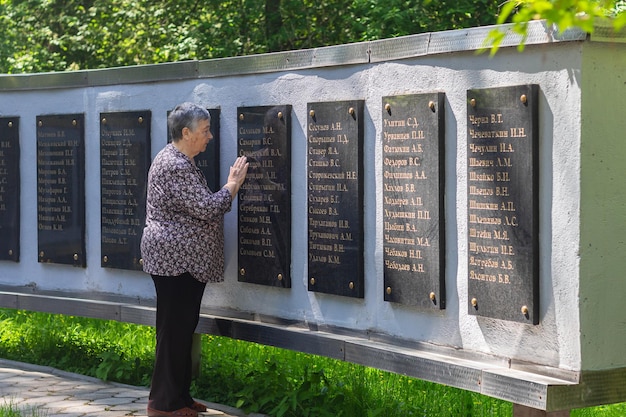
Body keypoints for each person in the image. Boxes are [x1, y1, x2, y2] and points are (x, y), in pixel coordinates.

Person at [140, 102, 249, 417]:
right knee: (174, 330)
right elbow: (207, 208)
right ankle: (163, 404)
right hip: (176, 262)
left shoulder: (179, 160)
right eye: (204, 131)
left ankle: (179, 398)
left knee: (181, 327)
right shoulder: (175, 165)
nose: (210, 137)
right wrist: (233, 184)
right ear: (185, 132)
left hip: (180, 261)